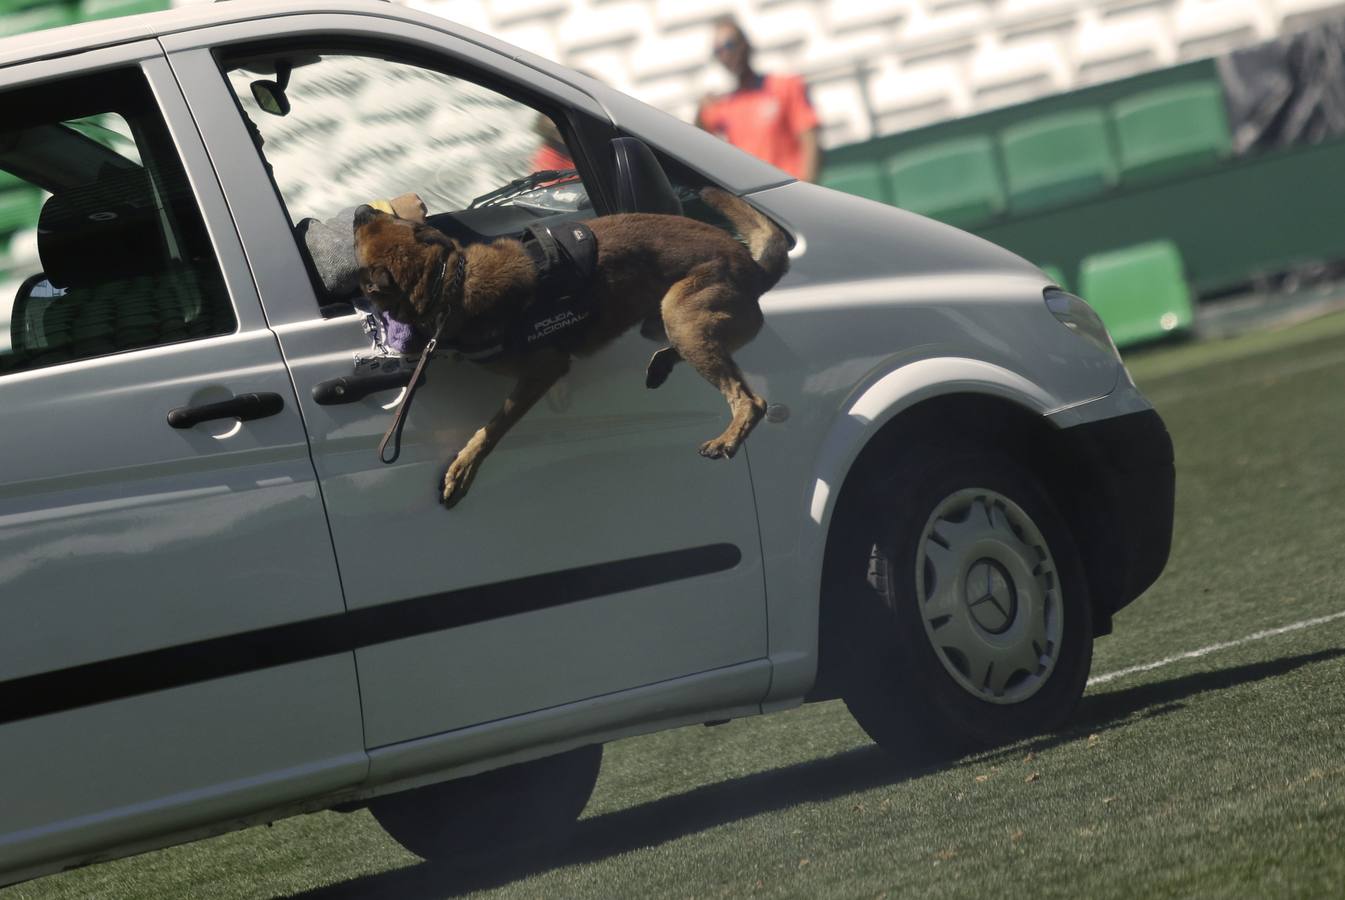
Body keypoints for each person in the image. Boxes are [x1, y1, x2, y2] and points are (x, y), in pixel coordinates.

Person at [696, 17, 821, 182]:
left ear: (745, 45)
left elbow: (810, 139)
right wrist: (700, 112)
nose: (726, 55)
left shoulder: (785, 85)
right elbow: (698, 144)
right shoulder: (722, 105)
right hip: (754, 200)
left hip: (793, 192)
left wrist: (807, 188)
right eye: (718, 51)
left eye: (729, 45)